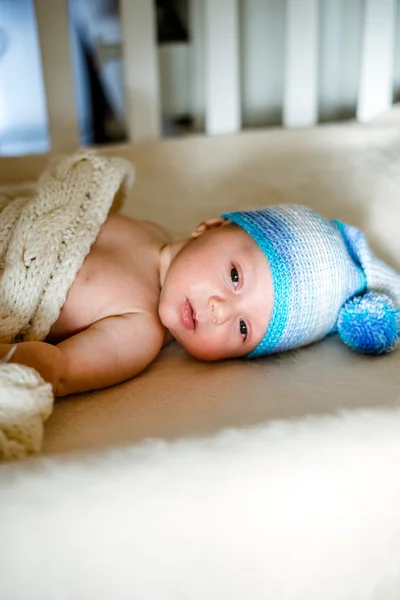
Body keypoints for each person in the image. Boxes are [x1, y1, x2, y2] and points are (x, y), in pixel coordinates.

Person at [1, 201, 399, 397]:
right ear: (211, 225)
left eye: (244, 329)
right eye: (234, 276)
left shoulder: (138, 332)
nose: (221, 310)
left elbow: (56, 368)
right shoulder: (144, 227)